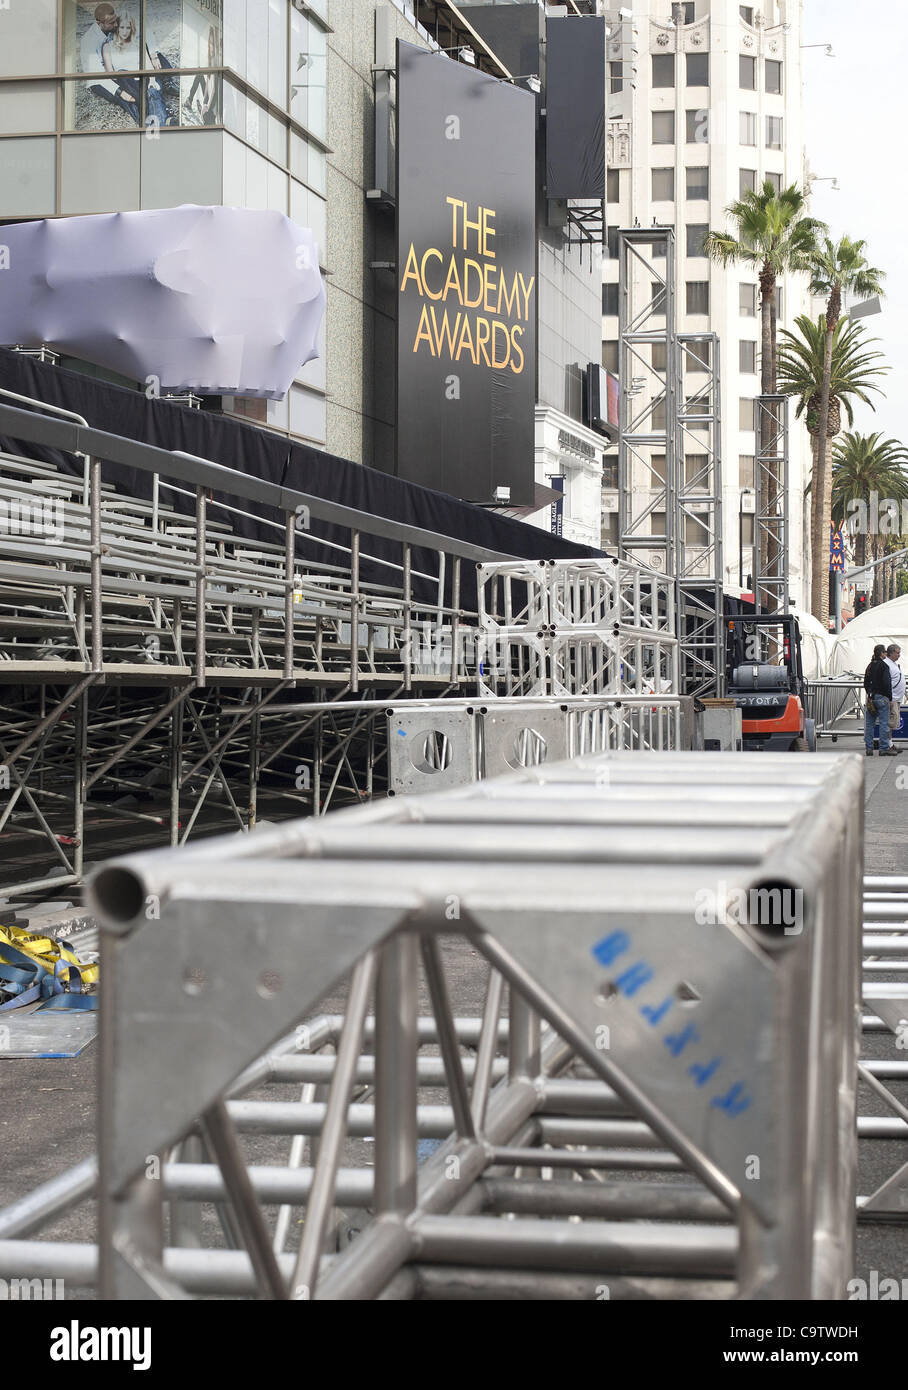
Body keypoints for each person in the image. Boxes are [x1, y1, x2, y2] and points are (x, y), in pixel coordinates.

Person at [79, 3, 141, 126]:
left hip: (116, 71)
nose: (116, 25)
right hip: (99, 80)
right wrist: (120, 92)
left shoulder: (111, 26)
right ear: (99, 23)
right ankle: (142, 122)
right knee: (126, 99)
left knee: (136, 88)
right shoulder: (89, 41)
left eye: (115, 20)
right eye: (112, 23)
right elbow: (96, 75)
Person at [864, 644, 895, 756]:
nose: (886, 654)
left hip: (871, 698)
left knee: (869, 724)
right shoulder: (884, 666)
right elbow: (887, 684)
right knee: (884, 724)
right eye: (885, 652)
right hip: (882, 697)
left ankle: (869, 748)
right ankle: (883, 748)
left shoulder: (869, 666)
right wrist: (890, 698)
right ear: (882, 653)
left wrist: (870, 694)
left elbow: (865, 683)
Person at [885, 642, 905, 745]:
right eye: (897, 653)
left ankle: (890, 743)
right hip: (892, 698)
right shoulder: (887, 664)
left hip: (897, 698)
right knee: (890, 722)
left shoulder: (893, 664)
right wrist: (890, 698)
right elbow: (886, 683)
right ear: (891, 653)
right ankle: (887, 744)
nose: (899, 655)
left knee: (893, 722)